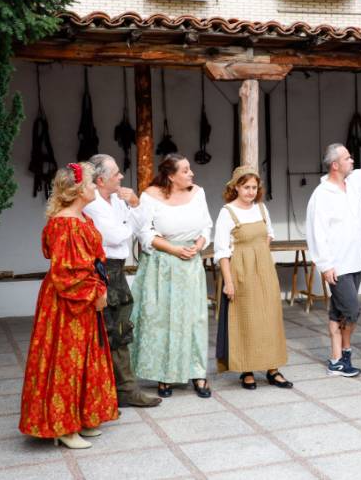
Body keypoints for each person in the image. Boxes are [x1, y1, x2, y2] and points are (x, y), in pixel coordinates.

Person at [19, 163, 118, 450]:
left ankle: (82, 417)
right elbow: (67, 273)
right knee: (67, 360)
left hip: (82, 298)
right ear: (78, 190)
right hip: (68, 302)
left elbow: (89, 261)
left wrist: (99, 288)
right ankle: (63, 426)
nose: (94, 186)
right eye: (90, 183)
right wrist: (95, 292)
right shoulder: (65, 224)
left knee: (84, 356)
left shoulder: (81, 218)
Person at [129, 154, 214, 398]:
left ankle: (198, 373)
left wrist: (199, 245)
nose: (191, 173)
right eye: (185, 170)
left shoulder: (198, 193)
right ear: (171, 175)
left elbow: (206, 225)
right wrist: (173, 249)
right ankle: (164, 374)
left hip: (190, 262)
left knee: (195, 318)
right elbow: (144, 232)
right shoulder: (150, 195)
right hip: (162, 264)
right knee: (162, 319)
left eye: (190, 169)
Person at [307, 143, 361, 377]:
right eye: (347, 158)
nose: (352, 161)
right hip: (337, 265)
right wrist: (325, 265)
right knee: (352, 310)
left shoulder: (354, 182)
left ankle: (336, 361)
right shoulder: (321, 195)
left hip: (356, 259)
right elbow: (316, 232)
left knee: (338, 312)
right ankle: (346, 352)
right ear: (335, 165)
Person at [84, 154, 161, 408]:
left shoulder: (117, 200)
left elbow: (140, 227)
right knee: (108, 330)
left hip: (116, 269)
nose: (121, 176)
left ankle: (124, 389)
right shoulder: (92, 204)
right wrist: (130, 221)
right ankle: (113, 390)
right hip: (102, 270)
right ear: (100, 180)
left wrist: (136, 204)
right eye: (116, 173)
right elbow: (115, 236)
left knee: (120, 328)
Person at [214, 166, 292, 390]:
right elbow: (222, 252)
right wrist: (229, 282)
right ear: (236, 187)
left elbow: (268, 235)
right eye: (246, 187)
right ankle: (246, 370)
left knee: (270, 318)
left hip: (265, 271)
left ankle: (272, 369)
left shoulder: (261, 208)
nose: (250, 191)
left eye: (254, 187)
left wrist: (259, 255)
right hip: (241, 272)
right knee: (246, 320)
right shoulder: (227, 212)